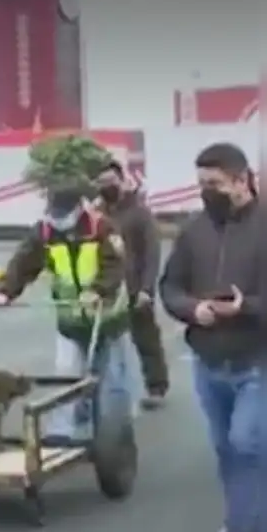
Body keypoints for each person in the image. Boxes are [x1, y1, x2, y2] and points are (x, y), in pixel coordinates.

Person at [158, 142, 263, 532]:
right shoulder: (193, 230)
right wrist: (192, 309)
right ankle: (245, 516)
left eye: (214, 183)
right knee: (227, 450)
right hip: (209, 363)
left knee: (247, 445)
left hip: (257, 361)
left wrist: (245, 307)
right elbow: (170, 287)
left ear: (241, 180)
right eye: (201, 183)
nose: (206, 191)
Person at [0, 184, 139, 444]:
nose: (59, 219)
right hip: (70, 317)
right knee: (65, 375)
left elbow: (116, 266)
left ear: (80, 207)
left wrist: (97, 290)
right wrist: (6, 291)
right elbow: (23, 263)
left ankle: (114, 435)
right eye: (54, 213)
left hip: (107, 317)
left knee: (111, 379)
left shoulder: (102, 228)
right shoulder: (44, 232)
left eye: (64, 213)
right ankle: (61, 431)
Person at [94, 161, 169, 408]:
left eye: (111, 182)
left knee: (146, 338)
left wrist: (147, 289)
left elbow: (151, 253)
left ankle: (156, 387)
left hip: (136, 288)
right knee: (105, 341)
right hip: (109, 289)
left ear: (122, 181)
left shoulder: (139, 213)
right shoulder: (97, 214)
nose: (107, 188)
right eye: (102, 184)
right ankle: (104, 390)